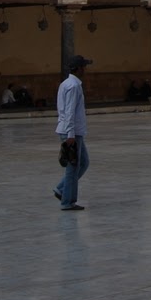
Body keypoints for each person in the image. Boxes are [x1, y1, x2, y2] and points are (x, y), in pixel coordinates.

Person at [54, 55, 92, 210]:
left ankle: (62, 189)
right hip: (72, 133)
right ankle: (67, 201)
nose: (85, 69)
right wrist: (70, 135)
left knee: (83, 162)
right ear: (78, 68)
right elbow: (69, 112)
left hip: (74, 131)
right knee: (73, 167)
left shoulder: (67, 83)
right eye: (83, 67)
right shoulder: (73, 86)